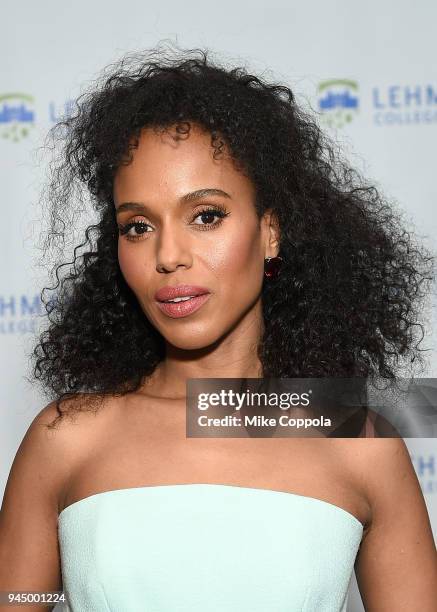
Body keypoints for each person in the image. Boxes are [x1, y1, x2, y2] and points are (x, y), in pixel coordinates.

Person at [1, 42, 436, 611]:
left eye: (206, 216)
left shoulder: (361, 445)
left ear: (271, 231)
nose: (168, 255)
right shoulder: (66, 437)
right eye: (137, 226)